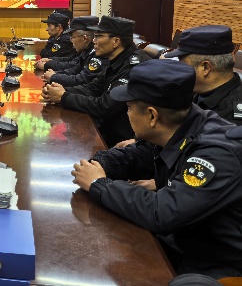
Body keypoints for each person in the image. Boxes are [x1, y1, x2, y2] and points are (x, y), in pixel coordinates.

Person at [71, 60, 242, 279]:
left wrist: (99, 184)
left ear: (152, 116)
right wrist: (101, 164)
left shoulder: (215, 154)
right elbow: (135, 155)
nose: (127, 113)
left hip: (214, 267)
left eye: (129, 107)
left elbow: (161, 213)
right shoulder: (179, 125)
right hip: (183, 241)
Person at [41, 16, 150, 147]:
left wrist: (64, 97)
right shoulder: (116, 58)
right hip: (107, 129)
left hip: (121, 141)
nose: (94, 41)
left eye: (98, 36)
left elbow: (106, 106)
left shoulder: (134, 67)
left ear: (115, 41)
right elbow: (92, 88)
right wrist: (57, 91)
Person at [164, 25, 242, 124]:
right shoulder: (199, 89)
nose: (179, 70)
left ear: (205, 68)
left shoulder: (229, 119)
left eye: (183, 65)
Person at [42, 16, 107, 87]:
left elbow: (81, 79)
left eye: (72, 37)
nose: (71, 40)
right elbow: (75, 69)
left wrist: (54, 77)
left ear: (84, 38)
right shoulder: (86, 50)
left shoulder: (97, 53)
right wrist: (55, 74)